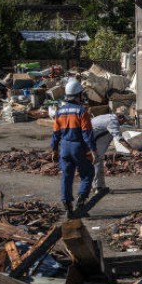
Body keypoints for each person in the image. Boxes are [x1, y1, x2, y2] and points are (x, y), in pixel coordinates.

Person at [50, 78, 97, 217]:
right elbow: (87, 133)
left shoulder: (59, 112)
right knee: (88, 173)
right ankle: (81, 202)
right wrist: (93, 150)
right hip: (78, 147)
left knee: (67, 175)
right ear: (78, 95)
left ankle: (67, 204)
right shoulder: (82, 111)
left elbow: (55, 133)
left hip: (64, 146)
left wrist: (54, 149)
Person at [91, 107, 137, 195]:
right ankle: (97, 187)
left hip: (95, 141)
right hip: (92, 142)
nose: (124, 123)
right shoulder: (112, 122)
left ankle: (100, 186)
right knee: (97, 163)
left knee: (99, 163)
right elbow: (120, 139)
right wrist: (132, 150)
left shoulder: (110, 117)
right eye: (124, 120)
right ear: (121, 117)